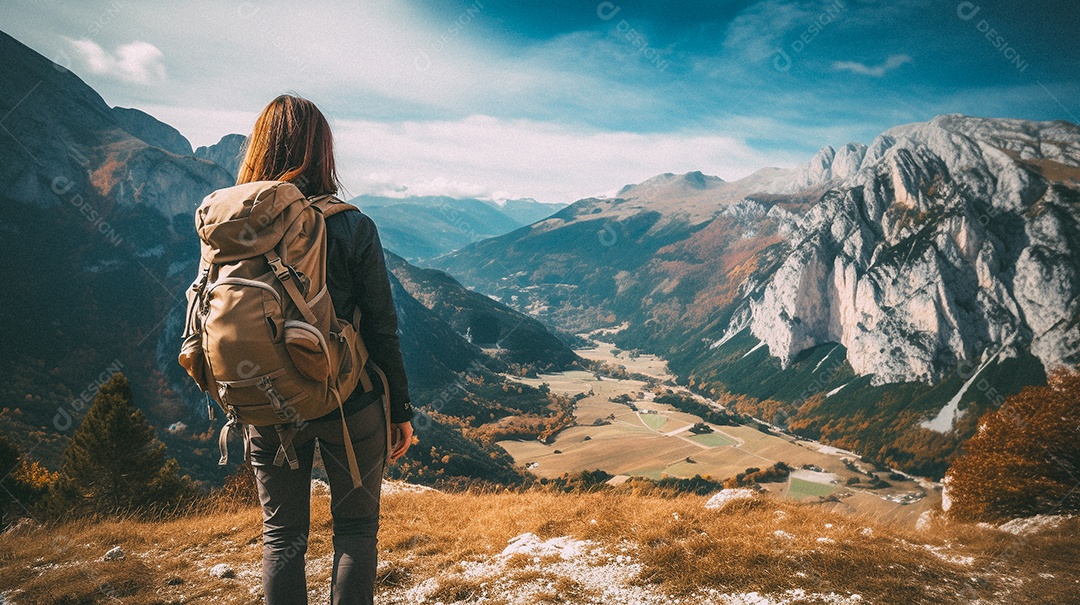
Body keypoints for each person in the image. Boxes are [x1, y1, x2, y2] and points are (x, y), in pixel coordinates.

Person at [235, 94, 414, 605]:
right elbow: (382, 329)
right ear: (322, 150)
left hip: (267, 400)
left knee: (281, 537)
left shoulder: (232, 226)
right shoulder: (352, 225)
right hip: (347, 399)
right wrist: (400, 409)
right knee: (356, 530)